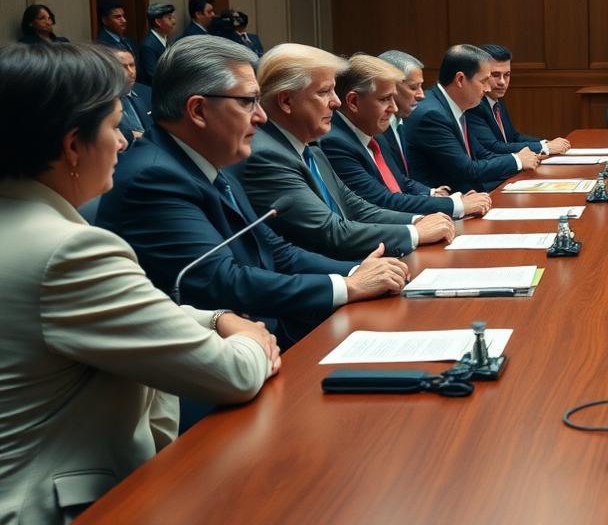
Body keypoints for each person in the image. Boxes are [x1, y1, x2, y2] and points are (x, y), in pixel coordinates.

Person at [0, 42, 274, 524]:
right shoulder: (70, 251)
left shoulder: (23, 226)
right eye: (113, 127)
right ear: (72, 146)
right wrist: (252, 337)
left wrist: (215, 317)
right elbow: (231, 375)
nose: (124, 142)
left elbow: (117, 311)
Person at [96, 37, 410, 347]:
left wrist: (358, 272)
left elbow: (275, 250)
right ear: (198, 110)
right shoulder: (154, 178)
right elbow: (221, 279)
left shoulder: (207, 160)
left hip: (263, 336)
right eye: (249, 102)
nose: (261, 116)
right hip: (221, 352)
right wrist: (346, 286)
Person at [233, 44, 456, 261]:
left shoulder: (311, 148)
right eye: (324, 92)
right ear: (286, 101)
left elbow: (357, 207)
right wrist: (414, 233)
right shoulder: (267, 156)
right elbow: (329, 231)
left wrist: (417, 221)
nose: (336, 102)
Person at [320, 53, 491, 218]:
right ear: (353, 102)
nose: (394, 108)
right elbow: (382, 201)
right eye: (385, 99)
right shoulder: (335, 143)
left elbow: (400, 181)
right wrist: (457, 205)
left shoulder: (374, 132)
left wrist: (435, 195)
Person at [404, 44, 541, 193]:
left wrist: (519, 159)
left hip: (470, 192)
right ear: (460, 79)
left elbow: (482, 154)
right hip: (444, 199)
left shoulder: (455, 106)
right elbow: (467, 170)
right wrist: (517, 161)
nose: (488, 88)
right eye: (483, 81)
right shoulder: (432, 115)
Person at [466, 44, 571, 155]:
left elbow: (513, 137)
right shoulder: (475, 105)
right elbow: (494, 147)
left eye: (507, 75)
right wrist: (545, 147)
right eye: (495, 75)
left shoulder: (496, 99)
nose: (502, 82)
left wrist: (546, 143)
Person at [378, 49, 425, 174]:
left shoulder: (407, 119)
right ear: (390, 86)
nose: (421, 95)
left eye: (421, 86)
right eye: (413, 87)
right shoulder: (374, 128)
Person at [107, 46, 150, 148]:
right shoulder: (102, 101)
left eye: (132, 65)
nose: (131, 72)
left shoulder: (147, 92)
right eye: (123, 66)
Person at [138, 2, 177, 85]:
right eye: (169, 18)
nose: (174, 22)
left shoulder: (166, 38)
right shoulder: (148, 46)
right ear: (158, 22)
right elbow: (153, 76)